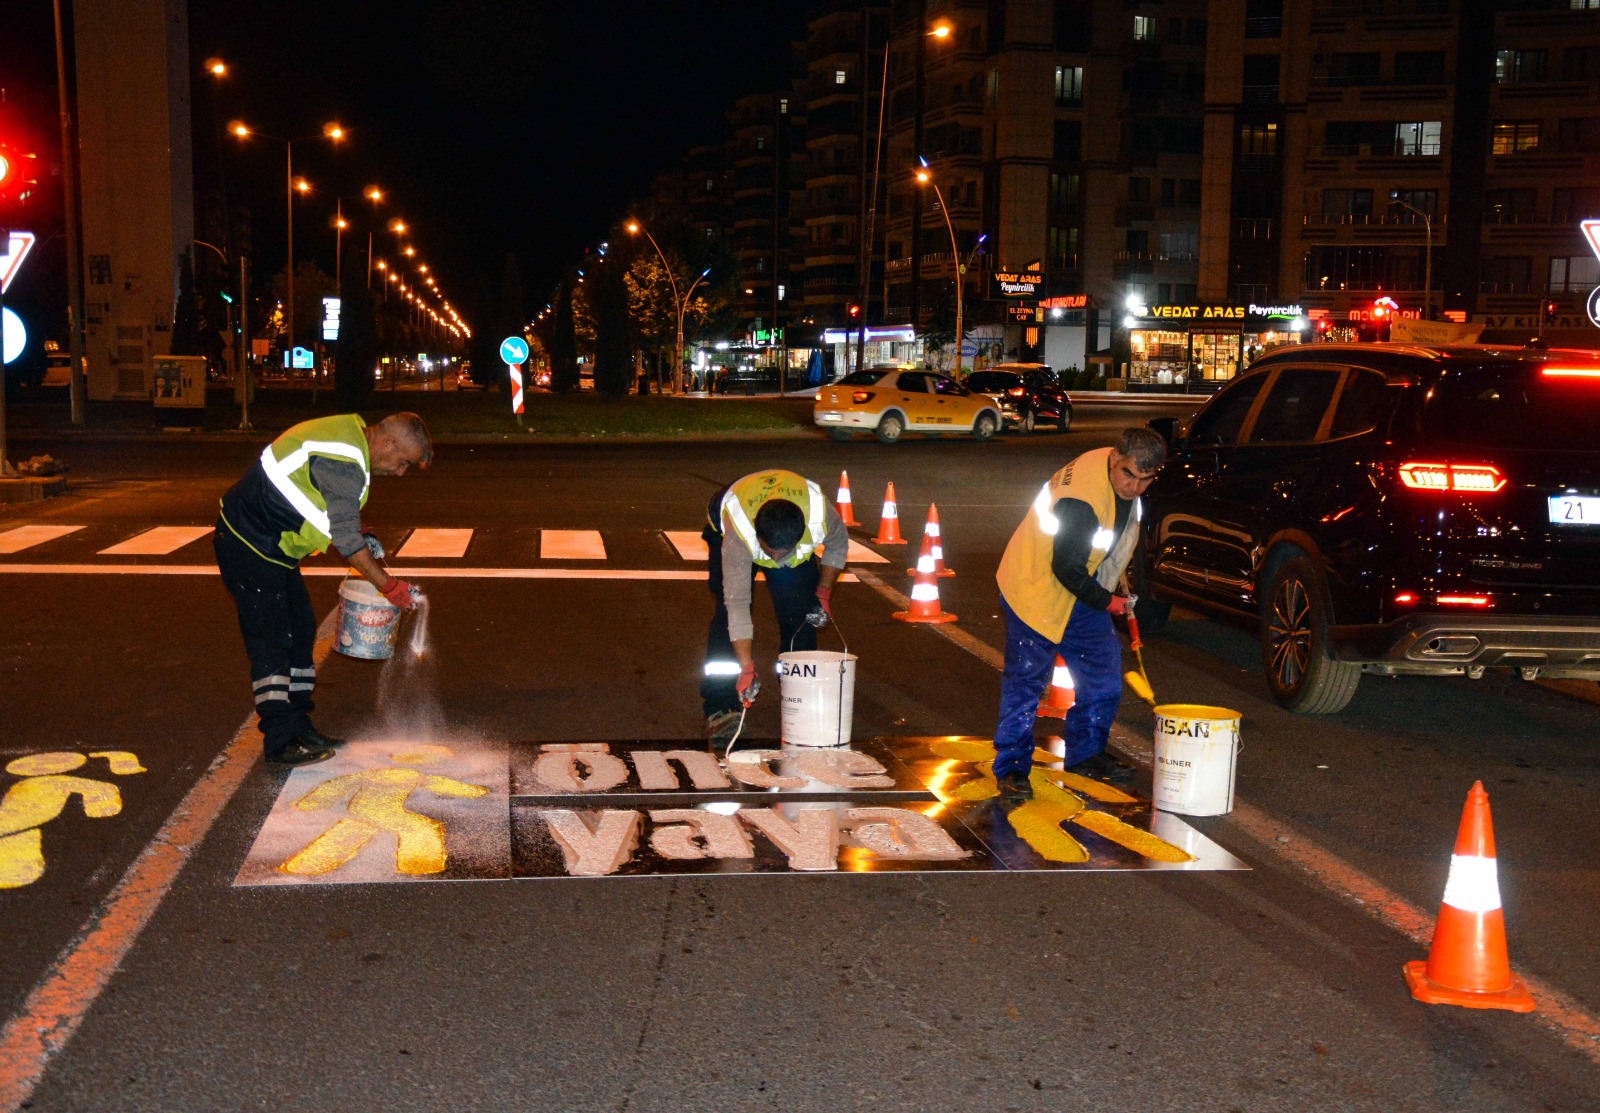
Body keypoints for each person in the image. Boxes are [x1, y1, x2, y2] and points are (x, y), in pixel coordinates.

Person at [214, 412, 433, 766]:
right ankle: (280, 740)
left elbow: (328, 506)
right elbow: (345, 540)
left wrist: (359, 531)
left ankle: (300, 727)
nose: (399, 472)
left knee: (300, 633)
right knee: (272, 641)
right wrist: (389, 587)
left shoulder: (347, 437)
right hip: (248, 543)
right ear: (390, 442)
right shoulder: (344, 459)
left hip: (272, 547)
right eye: (403, 462)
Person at [990, 428, 1167, 799]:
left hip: (1080, 592)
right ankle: (1011, 769)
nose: (1134, 487)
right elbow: (1067, 567)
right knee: (1025, 683)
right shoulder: (1081, 498)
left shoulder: (1117, 473)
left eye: (1145, 480)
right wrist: (1108, 602)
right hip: (1034, 588)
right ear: (1115, 459)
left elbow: (1107, 545)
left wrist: (1112, 583)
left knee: (1102, 673)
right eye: (1128, 475)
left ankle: (1085, 754)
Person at [701, 469, 850, 744]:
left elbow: (838, 546)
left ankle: (800, 694)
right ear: (759, 537)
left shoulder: (820, 514)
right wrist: (746, 667)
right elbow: (738, 605)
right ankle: (722, 707)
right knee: (725, 618)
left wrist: (823, 594)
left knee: (802, 615)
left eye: (785, 555)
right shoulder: (739, 535)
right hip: (726, 526)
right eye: (771, 554)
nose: (777, 562)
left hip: (780, 527)